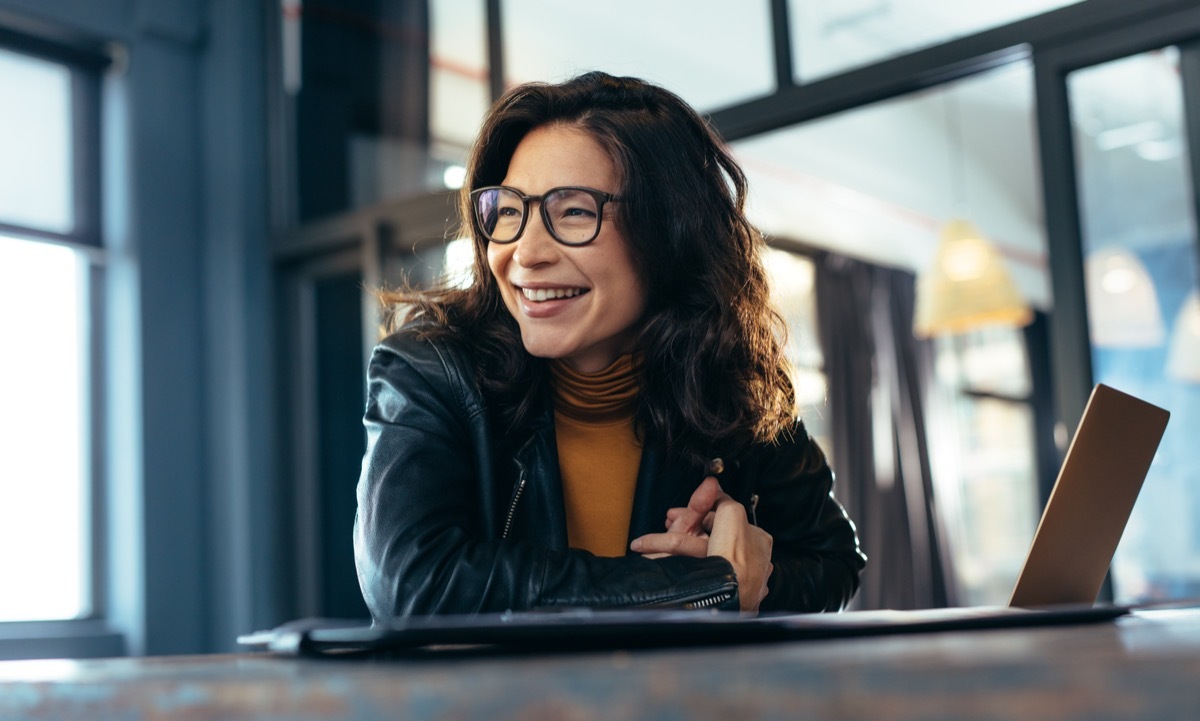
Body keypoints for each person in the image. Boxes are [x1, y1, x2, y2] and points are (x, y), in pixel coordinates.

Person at [354, 71, 865, 620]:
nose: (524, 253)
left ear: (670, 231)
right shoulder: (430, 371)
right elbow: (412, 583)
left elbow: (833, 560)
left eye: (572, 211)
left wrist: (754, 575)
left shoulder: (726, 377)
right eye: (508, 210)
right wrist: (702, 586)